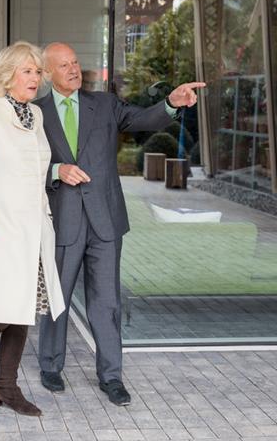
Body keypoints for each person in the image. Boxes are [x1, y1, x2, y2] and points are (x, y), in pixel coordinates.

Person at [36, 42, 205, 406]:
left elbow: (143, 118)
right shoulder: (36, 114)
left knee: (107, 301)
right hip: (62, 221)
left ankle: (111, 376)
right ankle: (50, 365)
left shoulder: (106, 105)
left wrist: (172, 103)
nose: (73, 69)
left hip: (106, 221)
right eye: (63, 65)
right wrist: (55, 170)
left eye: (76, 62)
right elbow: (20, 164)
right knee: (57, 297)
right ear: (48, 73)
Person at [0, 41, 65, 417]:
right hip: (0, 228)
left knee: (24, 309)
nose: (35, 77)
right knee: (0, 308)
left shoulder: (35, 115)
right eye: (27, 71)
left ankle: (6, 388)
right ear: (8, 76)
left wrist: (46, 217)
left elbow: (36, 174)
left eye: (38, 71)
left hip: (33, 228)